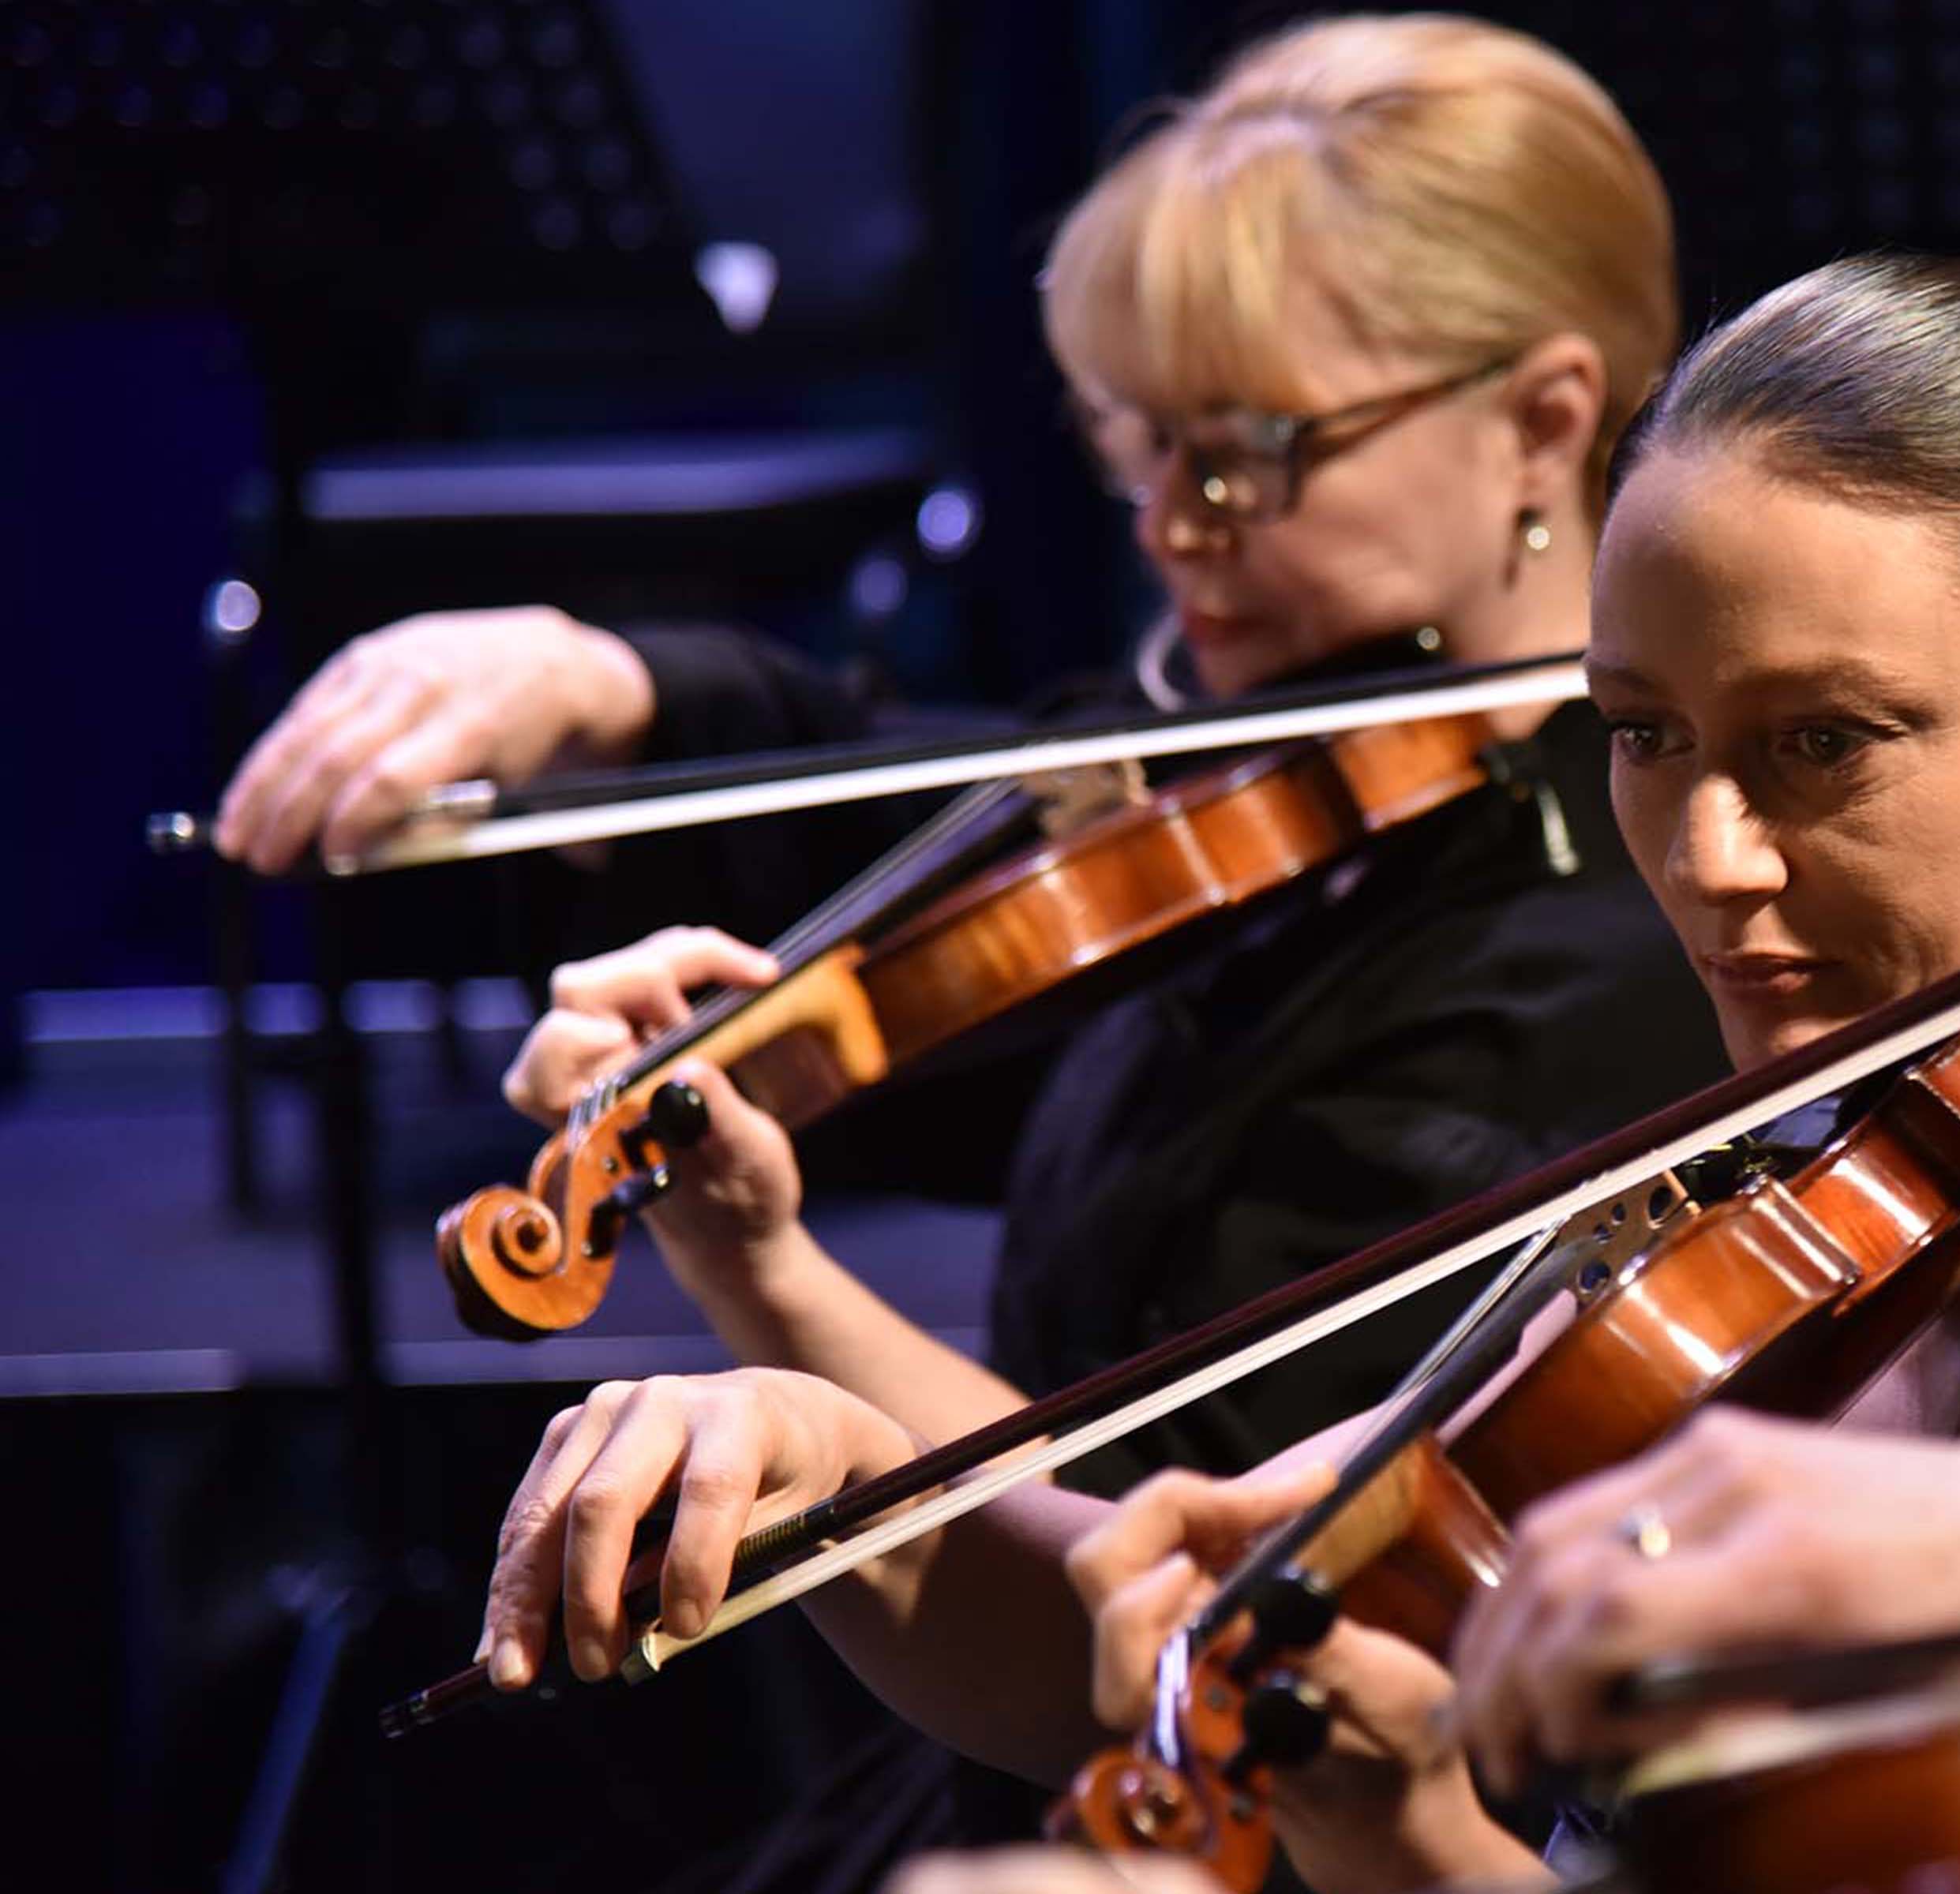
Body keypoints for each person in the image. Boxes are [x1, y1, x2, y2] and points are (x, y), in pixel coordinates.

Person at [469, 253, 1960, 1894]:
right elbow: (1172, 1629)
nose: (1704, 860)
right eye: (1645, 731)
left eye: (1823, 744)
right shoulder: (1793, 1199)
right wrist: (827, 1455)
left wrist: (1424, 1850)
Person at [329, 13, 1723, 1885]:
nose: (1169, 534)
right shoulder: (1267, 776)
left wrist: (762, 1278)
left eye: (1241, 461)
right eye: (1133, 456)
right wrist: (617, 686)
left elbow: (1190, 1572)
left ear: (1547, 417)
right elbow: (912, 794)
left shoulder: (1585, 966)